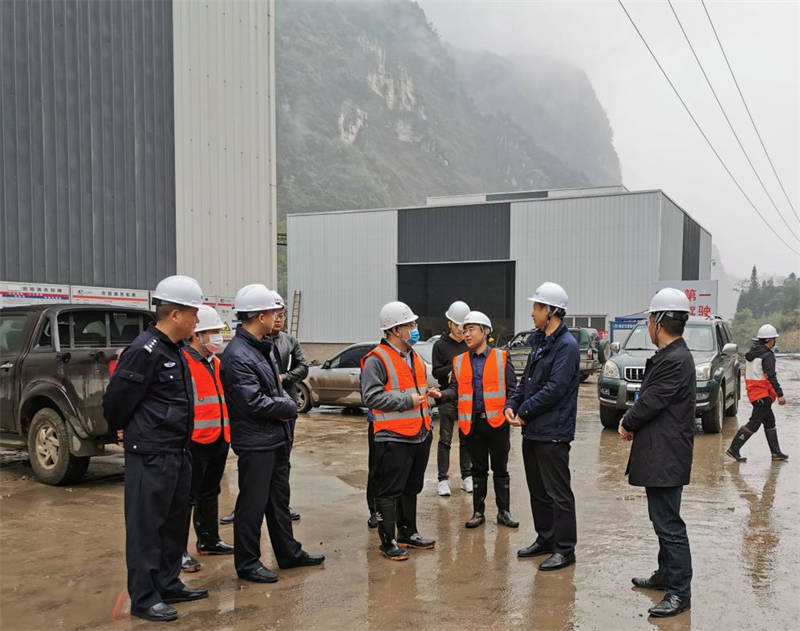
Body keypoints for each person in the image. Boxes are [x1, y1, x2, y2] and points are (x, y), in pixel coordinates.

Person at [103, 275, 208, 622]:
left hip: (177, 450)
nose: (197, 320)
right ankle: (145, 598)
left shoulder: (174, 349)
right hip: (150, 452)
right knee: (146, 528)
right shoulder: (144, 350)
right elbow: (115, 403)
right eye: (193, 313)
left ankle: (168, 583)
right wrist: (132, 431)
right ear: (175, 314)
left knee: (174, 525)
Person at [220, 284, 324, 583]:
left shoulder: (261, 347)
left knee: (278, 501)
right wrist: (289, 406)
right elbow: (252, 401)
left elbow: (274, 388)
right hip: (256, 442)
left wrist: (282, 406)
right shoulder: (238, 355)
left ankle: (288, 552)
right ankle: (248, 562)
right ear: (259, 316)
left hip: (274, 437)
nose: (277, 317)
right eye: (273, 312)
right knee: (252, 504)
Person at [618, 287, 694, 618]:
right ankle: (665, 574)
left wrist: (627, 422)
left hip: (666, 454)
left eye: (650, 319)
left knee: (669, 524)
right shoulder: (672, 355)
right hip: (662, 451)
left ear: (659, 322)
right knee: (662, 519)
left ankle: (679, 593)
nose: (649, 325)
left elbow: (651, 401)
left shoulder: (674, 359)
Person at [506, 282, 579, 572]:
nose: (532, 312)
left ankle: (565, 549)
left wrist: (523, 411)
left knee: (558, 493)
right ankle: (546, 539)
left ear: (551, 311)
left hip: (553, 432)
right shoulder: (539, 341)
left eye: (537, 307)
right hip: (533, 430)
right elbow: (526, 381)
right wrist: (512, 404)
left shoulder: (567, 346)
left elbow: (555, 389)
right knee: (538, 491)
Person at [360, 301, 440, 561]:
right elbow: (371, 397)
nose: (415, 329)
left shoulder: (414, 356)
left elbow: (414, 387)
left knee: (411, 487)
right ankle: (388, 541)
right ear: (395, 330)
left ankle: (408, 532)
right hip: (393, 436)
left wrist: (429, 394)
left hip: (419, 433)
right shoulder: (377, 359)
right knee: (389, 491)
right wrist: (407, 401)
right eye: (410, 325)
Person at [439, 311, 518, 529]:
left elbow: (512, 390)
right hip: (473, 424)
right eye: (464, 330)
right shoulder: (459, 361)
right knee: (478, 470)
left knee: (500, 470)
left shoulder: (502, 357)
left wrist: (510, 408)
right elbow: (454, 390)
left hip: (497, 423)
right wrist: (441, 395)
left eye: (471, 329)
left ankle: (504, 513)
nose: (466, 334)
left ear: (485, 331)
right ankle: (478, 512)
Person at [180, 305, 234, 574]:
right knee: (185, 497)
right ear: (196, 335)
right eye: (212, 331)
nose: (217, 337)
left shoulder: (216, 362)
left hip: (219, 437)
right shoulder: (183, 363)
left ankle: (209, 540)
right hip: (194, 441)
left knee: (210, 492)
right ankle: (177, 552)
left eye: (218, 331)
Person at [271, 292, 310, 520]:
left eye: (282, 315)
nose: (279, 319)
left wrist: (284, 378)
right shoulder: (256, 342)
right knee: (256, 461)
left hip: (287, 404)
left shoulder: (289, 341)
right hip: (263, 407)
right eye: (274, 315)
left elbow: (303, 367)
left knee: (283, 459)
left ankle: (282, 504)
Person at [726, 324, 788, 462]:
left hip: (754, 394)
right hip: (762, 395)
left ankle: (776, 453)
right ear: (770, 340)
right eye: (774, 339)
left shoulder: (751, 354)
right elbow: (771, 376)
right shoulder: (767, 355)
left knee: (770, 422)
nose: (775, 341)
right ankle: (734, 449)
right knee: (754, 423)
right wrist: (780, 394)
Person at [431, 301, 473, 496]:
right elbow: (436, 371)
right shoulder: (440, 345)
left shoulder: (469, 343)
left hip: (466, 398)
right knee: (445, 438)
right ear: (449, 323)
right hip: (447, 397)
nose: (460, 329)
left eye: (464, 326)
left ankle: (467, 476)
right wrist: (452, 369)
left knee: (466, 437)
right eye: (457, 325)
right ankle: (442, 479)